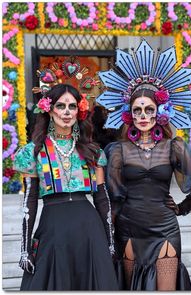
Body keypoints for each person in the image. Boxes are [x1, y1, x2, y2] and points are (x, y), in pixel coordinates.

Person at [96, 40, 191, 291]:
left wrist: (184, 206)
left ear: (159, 111)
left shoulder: (174, 147)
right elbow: (113, 199)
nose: (143, 116)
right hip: (129, 229)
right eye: (137, 111)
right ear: (129, 114)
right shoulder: (117, 151)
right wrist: (106, 234)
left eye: (149, 110)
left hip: (165, 228)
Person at [13, 83, 118, 290]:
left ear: (79, 111)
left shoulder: (93, 151)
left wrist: (110, 240)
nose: (67, 112)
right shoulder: (32, 152)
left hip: (89, 231)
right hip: (53, 229)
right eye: (61, 106)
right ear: (49, 110)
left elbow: (102, 198)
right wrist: (25, 249)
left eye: (72, 106)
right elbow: (30, 200)